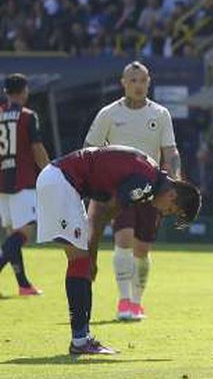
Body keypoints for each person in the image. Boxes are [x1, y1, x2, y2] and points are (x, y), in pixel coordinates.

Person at [35, 146, 200, 355]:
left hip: (61, 180)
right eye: (170, 210)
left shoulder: (150, 176)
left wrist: (91, 254)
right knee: (81, 262)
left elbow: (105, 207)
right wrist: (93, 255)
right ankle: (80, 341)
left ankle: (81, 339)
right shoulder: (146, 184)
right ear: (172, 194)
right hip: (62, 182)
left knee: (81, 262)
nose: (163, 212)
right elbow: (102, 214)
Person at [84, 61, 182, 322]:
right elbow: (90, 148)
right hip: (119, 190)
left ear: (149, 82)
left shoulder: (160, 114)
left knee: (143, 248)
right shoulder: (108, 113)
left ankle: (137, 302)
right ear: (123, 83)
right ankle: (123, 300)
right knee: (123, 239)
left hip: (152, 190)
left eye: (142, 80)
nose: (138, 85)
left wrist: (175, 180)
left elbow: (170, 151)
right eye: (133, 80)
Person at [0, 73, 50, 296]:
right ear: (24, 91)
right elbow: (36, 148)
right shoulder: (28, 116)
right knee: (25, 232)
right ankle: (22, 284)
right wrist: (50, 172)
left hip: (2, 181)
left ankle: (23, 284)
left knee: (12, 233)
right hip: (22, 180)